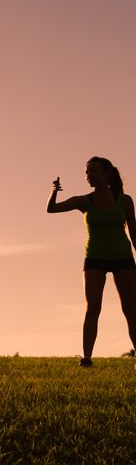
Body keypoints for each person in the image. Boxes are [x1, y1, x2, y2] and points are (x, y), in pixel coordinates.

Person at [47, 157, 136, 367]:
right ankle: (86, 358)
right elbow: (52, 209)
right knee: (93, 308)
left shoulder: (125, 201)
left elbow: (134, 234)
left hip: (123, 258)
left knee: (131, 310)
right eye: (87, 172)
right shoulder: (83, 201)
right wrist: (54, 190)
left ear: (107, 174)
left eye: (93, 171)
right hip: (95, 258)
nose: (89, 176)